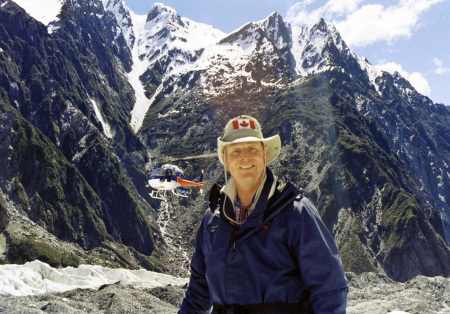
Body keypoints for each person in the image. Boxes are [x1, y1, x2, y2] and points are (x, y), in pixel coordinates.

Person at [179, 115, 348, 313]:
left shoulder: (296, 213)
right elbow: (197, 293)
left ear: (265, 155)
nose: (245, 156)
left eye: (252, 148)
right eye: (236, 151)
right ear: (225, 160)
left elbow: (330, 289)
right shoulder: (211, 221)